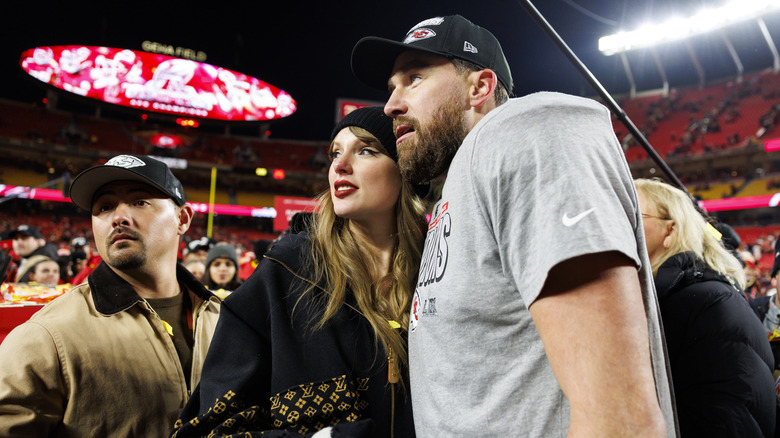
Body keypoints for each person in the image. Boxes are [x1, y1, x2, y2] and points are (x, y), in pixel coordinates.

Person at [350, 15, 677, 437]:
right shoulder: (461, 183)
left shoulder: (527, 131)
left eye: (414, 78)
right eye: (391, 87)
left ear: (480, 88)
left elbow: (622, 420)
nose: (391, 104)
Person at [172, 106, 428, 437]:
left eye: (366, 150)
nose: (340, 165)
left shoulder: (440, 271)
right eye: (335, 153)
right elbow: (207, 428)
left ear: (406, 170)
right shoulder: (286, 272)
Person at [0, 154, 222, 437]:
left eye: (140, 201)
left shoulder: (223, 318)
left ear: (182, 218)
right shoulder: (46, 336)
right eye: (104, 207)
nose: (118, 217)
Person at [635, 178, 775, 437]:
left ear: (670, 232)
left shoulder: (701, 304)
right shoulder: (694, 295)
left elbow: (724, 421)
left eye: (634, 213)